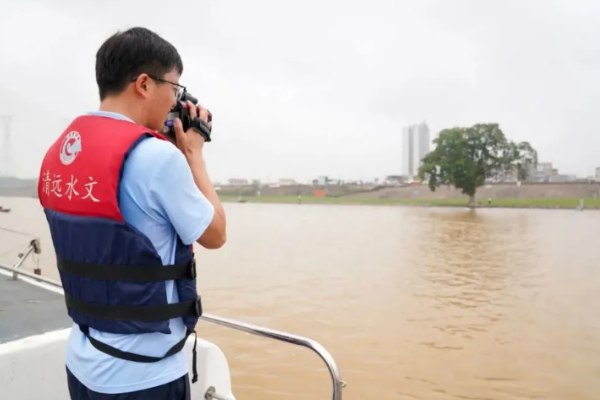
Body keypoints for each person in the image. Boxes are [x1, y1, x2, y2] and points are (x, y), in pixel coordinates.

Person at [37, 27, 226, 400]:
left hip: (82, 363)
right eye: (174, 89)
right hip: (145, 378)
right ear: (143, 84)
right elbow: (215, 234)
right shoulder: (159, 159)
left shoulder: (58, 151)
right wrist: (194, 154)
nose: (175, 100)